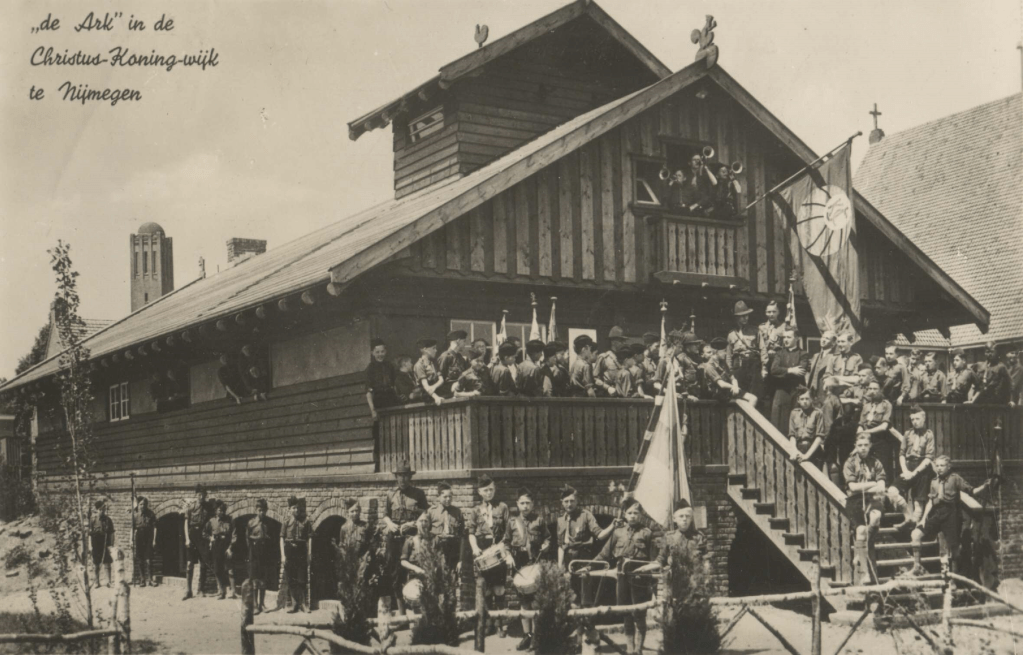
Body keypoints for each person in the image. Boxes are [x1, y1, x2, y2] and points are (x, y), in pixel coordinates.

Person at [591, 498, 660, 655]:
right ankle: (630, 650)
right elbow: (604, 554)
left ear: (641, 514)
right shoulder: (618, 532)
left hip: (640, 578)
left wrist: (653, 584)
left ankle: (639, 649)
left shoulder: (647, 533)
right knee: (626, 614)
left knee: (640, 614)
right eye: (629, 513)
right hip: (622, 576)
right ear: (624, 514)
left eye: (636, 513)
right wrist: (590, 565)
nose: (633, 516)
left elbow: (654, 560)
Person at [911, 456, 991, 574]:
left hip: (951, 515)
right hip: (938, 514)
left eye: (942, 465)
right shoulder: (934, 482)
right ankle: (916, 567)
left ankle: (953, 577)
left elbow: (971, 491)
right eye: (937, 466)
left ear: (948, 467)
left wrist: (984, 487)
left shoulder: (955, 479)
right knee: (915, 534)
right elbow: (930, 502)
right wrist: (923, 519)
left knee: (954, 549)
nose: (939, 468)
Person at [502, 487, 551, 652]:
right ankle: (527, 635)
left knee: (536, 602)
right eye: (522, 503)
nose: (525, 506)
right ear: (517, 504)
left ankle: (536, 637)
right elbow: (505, 543)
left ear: (533, 504)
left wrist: (546, 545)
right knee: (524, 602)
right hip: (520, 565)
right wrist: (507, 556)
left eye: (528, 503)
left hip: (536, 564)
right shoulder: (512, 522)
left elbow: (548, 538)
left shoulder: (540, 520)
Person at [382, 460, 428, 617]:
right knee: (395, 575)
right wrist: (389, 524)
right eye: (399, 476)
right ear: (396, 478)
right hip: (394, 540)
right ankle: (401, 615)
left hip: (410, 539)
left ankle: (416, 613)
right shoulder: (391, 495)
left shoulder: (418, 494)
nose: (402, 480)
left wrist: (412, 523)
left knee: (412, 573)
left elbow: (425, 514)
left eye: (405, 476)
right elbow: (385, 515)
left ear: (410, 478)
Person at [467, 475, 510, 635]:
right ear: (479, 492)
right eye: (486, 490)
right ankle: (488, 624)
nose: (489, 493)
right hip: (482, 553)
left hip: (497, 551)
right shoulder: (475, 511)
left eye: (491, 489)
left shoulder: (502, 507)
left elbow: (508, 532)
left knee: (499, 589)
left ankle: (502, 625)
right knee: (485, 590)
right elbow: (471, 532)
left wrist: (501, 547)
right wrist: (475, 548)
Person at [558, 485, 614, 608]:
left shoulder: (585, 515)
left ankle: (587, 626)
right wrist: (559, 567)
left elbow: (600, 535)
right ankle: (576, 626)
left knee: (585, 596)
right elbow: (561, 546)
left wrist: (612, 526)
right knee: (571, 597)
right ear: (562, 503)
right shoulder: (561, 520)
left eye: (572, 501)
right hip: (568, 562)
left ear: (577, 501)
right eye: (566, 501)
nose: (569, 504)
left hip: (583, 559)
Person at [843, 434, 886, 584]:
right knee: (860, 530)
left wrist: (872, 486)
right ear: (856, 445)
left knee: (875, 518)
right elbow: (853, 487)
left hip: (873, 499)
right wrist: (872, 484)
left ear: (870, 446)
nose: (862, 448)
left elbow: (882, 486)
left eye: (865, 445)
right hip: (855, 501)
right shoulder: (849, 463)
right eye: (860, 445)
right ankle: (865, 573)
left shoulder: (876, 462)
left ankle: (860, 549)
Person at [887, 406, 935, 535]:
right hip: (908, 466)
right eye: (912, 419)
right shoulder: (908, 433)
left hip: (923, 468)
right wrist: (905, 471)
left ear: (924, 419)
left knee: (919, 501)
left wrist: (914, 473)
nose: (915, 421)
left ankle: (915, 531)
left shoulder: (929, 434)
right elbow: (901, 453)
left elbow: (929, 457)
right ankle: (908, 518)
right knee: (892, 491)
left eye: (917, 419)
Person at [769, 326, 809, 436]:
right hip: (781, 391)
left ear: (796, 338)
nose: (785, 340)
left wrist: (783, 372)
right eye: (784, 337)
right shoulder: (779, 353)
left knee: (795, 422)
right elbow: (774, 370)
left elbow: (800, 371)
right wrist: (790, 370)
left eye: (789, 337)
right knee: (778, 420)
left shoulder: (803, 354)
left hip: (796, 392)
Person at [858, 379, 894, 480]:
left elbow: (884, 426)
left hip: (881, 440)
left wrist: (866, 432)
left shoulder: (886, 405)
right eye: (870, 388)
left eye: (875, 389)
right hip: (867, 440)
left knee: (882, 469)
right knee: (867, 467)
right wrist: (859, 434)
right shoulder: (866, 406)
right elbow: (861, 423)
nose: (872, 391)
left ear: (881, 390)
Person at [656, 500, 708, 570]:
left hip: (693, 578)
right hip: (675, 577)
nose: (684, 519)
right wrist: (645, 567)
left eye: (687, 516)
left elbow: (705, 561)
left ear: (691, 519)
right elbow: (660, 560)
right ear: (674, 519)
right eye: (681, 516)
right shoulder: (668, 537)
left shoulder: (699, 537)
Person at [425, 482, 465, 574]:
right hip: (437, 550)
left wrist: (460, 560)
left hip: (453, 551)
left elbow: (462, 536)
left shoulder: (457, 512)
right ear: (438, 497)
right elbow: (426, 536)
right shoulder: (431, 512)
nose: (448, 499)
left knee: (453, 579)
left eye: (450, 496)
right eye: (445, 497)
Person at [281, 497, 312, 613]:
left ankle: (303, 604)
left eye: (297, 508)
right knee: (291, 578)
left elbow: (309, 538)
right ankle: (294, 604)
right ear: (289, 509)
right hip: (290, 550)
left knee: (302, 578)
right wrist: (282, 555)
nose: (296, 510)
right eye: (293, 508)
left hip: (301, 551)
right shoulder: (286, 522)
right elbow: (281, 538)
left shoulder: (306, 521)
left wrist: (309, 553)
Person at [182, 484, 211, 601]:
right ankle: (188, 590)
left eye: (203, 495)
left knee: (203, 564)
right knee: (189, 564)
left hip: (203, 536)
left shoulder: (208, 508)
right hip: (192, 535)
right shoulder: (191, 507)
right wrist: (187, 538)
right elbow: (186, 523)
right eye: (199, 494)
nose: (201, 497)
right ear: (196, 495)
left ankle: (201, 589)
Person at [204, 500, 237, 600]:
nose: (221, 512)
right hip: (216, 546)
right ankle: (221, 592)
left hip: (226, 546)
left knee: (230, 570)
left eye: (223, 510)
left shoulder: (230, 520)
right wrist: (210, 538)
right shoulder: (211, 521)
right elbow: (204, 533)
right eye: (219, 510)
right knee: (218, 570)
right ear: (215, 511)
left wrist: (230, 548)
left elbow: (234, 535)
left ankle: (233, 592)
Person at [247, 498, 274, 614]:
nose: (261, 513)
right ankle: (254, 605)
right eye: (259, 510)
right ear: (256, 510)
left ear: (266, 511)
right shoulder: (251, 523)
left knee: (263, 580)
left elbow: (271, 539)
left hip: (264, 553)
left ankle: (262, 604)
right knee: (255, 580)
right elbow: (247, 538)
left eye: (263, 510)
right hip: (254, 553)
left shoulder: (269, 523)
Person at [788, 387, 825, 469]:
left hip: (814, 451)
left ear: (811, 399)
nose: (804, 401)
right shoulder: (794, 413)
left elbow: (819, 437)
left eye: (807, 399)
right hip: (798, 449)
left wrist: (806, 456)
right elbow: (792, 435)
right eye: (802, 399)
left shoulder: (818, 413)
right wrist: (795, 451)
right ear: (798, 400)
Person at [758, 301, 786, 406]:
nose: (771, 314)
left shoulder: (783, 327)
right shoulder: (761, 327)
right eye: (769, 312)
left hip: (777, 362)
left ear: (778, 312)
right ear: (765, 313)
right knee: (764, 390)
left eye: (774, 311)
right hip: (764, 363)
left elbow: (786, 346)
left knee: (776, 391)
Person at [365, 339, 399, 420]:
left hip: (392, 400)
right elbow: (368, 391)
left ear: (386, 351)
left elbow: (395, 385)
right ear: (372, 353)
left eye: (382, 351)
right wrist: (373, 410)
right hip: (379, 404)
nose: (380, 354)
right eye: (377, 352)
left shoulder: (390, 366)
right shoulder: (370, 369)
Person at [593, 327, 628, 397]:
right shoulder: (604, 357)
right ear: (613, 342)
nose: (624, 343)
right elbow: (595, 378)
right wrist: (608, 388)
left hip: (622, 396)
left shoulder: (624, 359)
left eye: (624, 341)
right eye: (621, 341)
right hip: (608, 396)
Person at [437, 330, 470, 399]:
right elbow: (439, 380)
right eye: (464, 341)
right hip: (449, 397)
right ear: (458, 341)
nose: (465, 344)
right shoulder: (445, 356)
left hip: (461, 395)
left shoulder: (461, 358)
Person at [133, 496, 157, 587]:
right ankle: (142, 579)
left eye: (144, 504)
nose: (142, 506)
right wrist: (130, 540)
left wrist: (154, 540)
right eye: (141, 504)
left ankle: (150, 579)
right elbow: (133, 529)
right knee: (140, 559)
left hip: (148, 537)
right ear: (138, 505)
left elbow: (155, 528)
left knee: (149, 559)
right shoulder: (135, 515)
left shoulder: (151, 514)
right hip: (139, 537)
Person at [90, 500, 115, 588]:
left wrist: (111, 545)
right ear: (96, 510)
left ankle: (109, 581)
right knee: (96, 563)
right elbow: (89, 534)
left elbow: (112, 533)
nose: (102, 511)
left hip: (105, 543)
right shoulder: (92, 520)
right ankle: (97, 582)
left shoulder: (108, 520)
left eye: (103, 509)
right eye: (100, 509)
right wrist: (90, 546)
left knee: (107, 562)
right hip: (96, 544)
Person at [414, 338, 445, 405]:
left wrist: (434, 387)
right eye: (433, 348)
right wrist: (436, 397)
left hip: (435, 392)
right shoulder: (419, 365)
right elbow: (426, 386)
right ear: (425, 349)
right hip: (425, 398)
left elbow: (441, 379)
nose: (436, 350)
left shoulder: (434, 363)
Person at [807, 331, 837, 399]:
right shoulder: (816, 355)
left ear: (833, 342)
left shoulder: (834, 357)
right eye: (822, 337)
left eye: (827, 338)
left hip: (824, 393)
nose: (823, 340)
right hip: (811, 391)